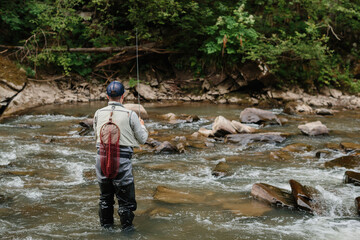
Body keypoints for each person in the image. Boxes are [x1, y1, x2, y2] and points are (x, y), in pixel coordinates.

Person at [93, 81, 148, 230]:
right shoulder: (131, 114)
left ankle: (106, 229)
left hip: (101, 159)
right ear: (122, 96)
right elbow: (143, 139)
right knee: (126, 202)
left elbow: (96, 135)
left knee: (105, 198)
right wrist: (142, 125)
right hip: (122, 160)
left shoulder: (98, 113)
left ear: (107, 96)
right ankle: (127, 231)